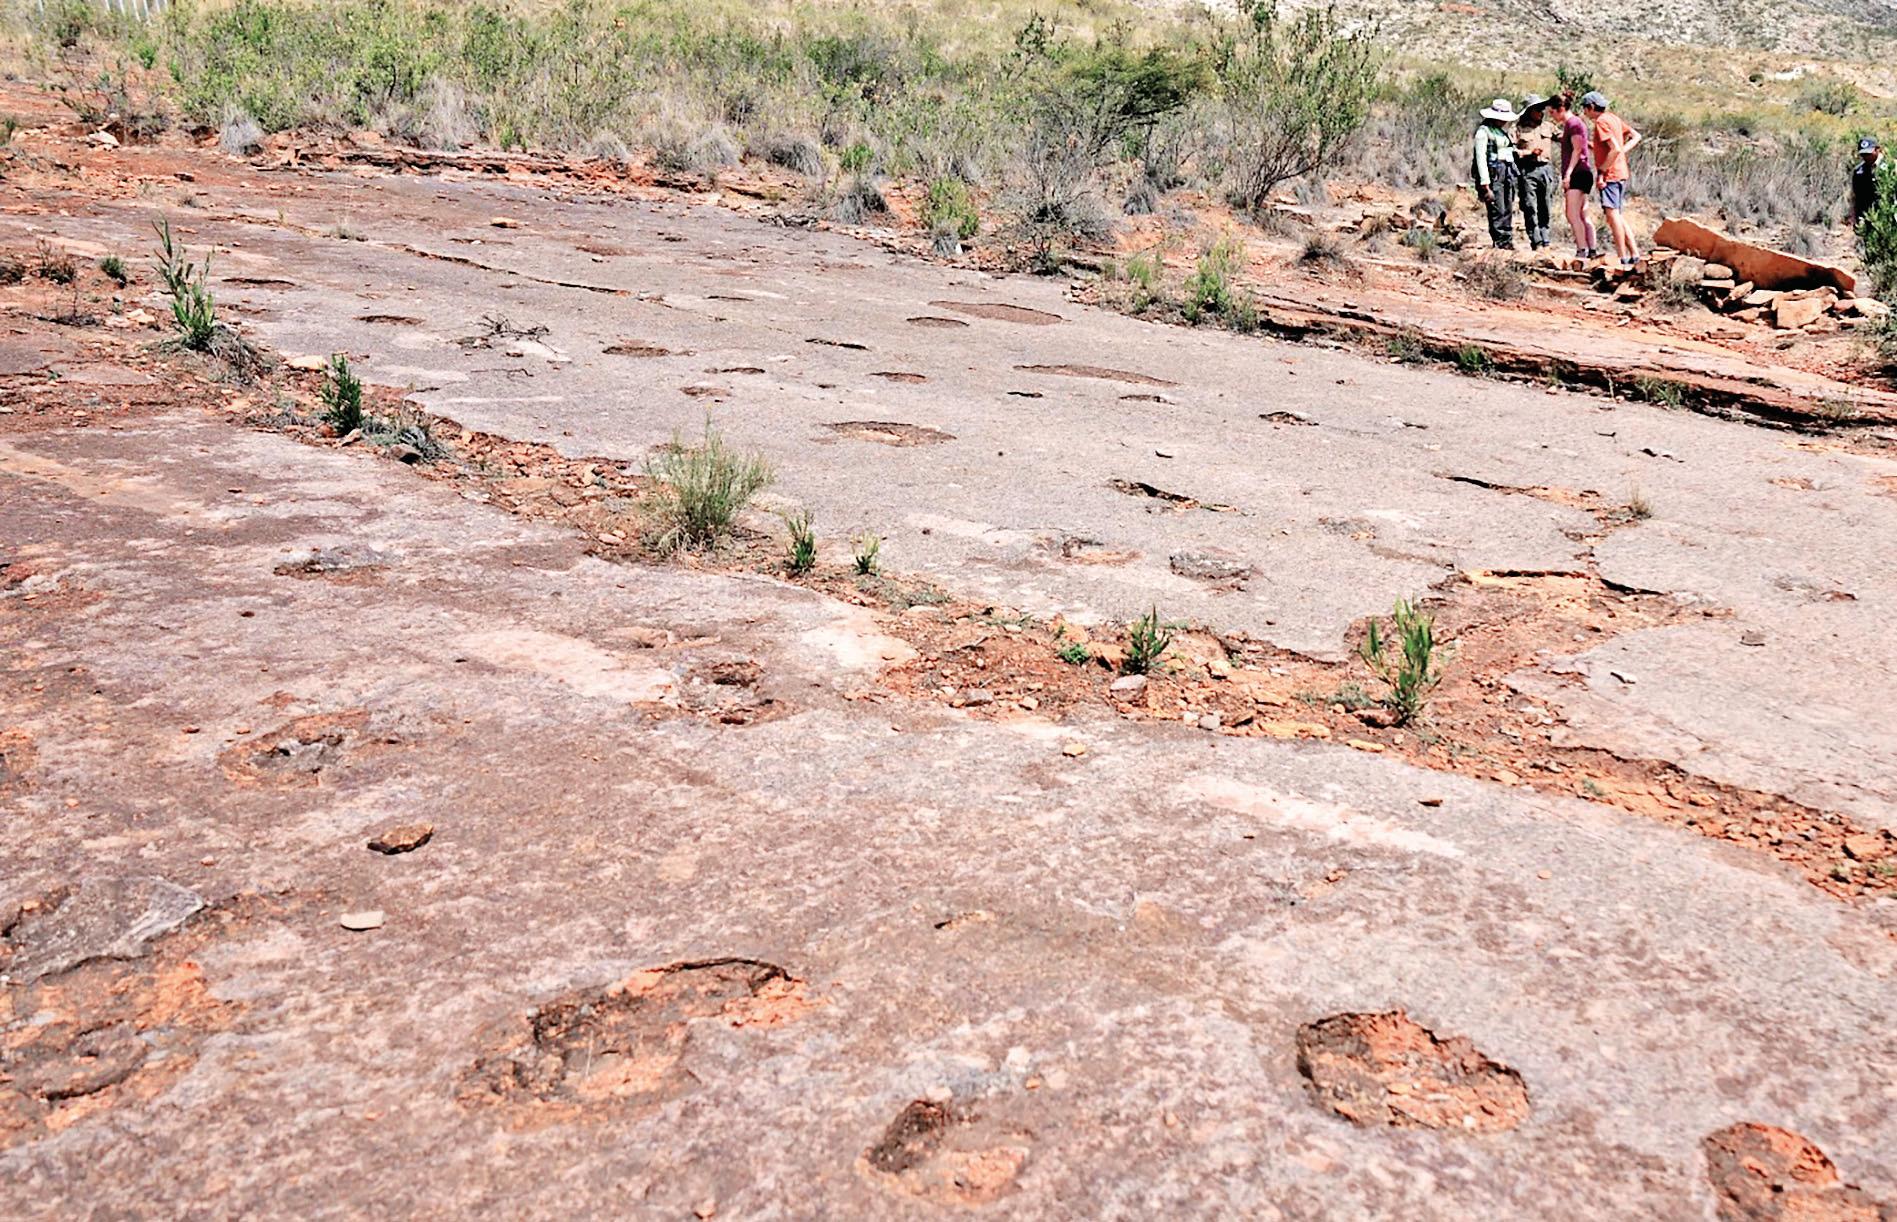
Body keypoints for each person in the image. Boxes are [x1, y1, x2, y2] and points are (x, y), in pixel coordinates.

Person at [1582, 90, 1643, 266]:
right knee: (1618, 214)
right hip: (1621, 171)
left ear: (1592, 107)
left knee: (1612, 215)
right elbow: (1634, 136)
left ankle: (1622, 256)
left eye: (1586, 109)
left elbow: (1614, 148)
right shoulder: (1613, 118)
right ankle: (1634, 254)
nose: (1585, 113)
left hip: (1611, 174)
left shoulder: (1601, 122)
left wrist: (1601, 171)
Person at [1546, 92, 1598, 260]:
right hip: (1582, 171)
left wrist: (1567, 174)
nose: (1552, 116)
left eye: (1553, 112)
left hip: (1577, 172)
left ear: (1561, 109)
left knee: (1572, 214)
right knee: (1583, 214)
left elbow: (1577, 150)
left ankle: (1582, 249)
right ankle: (1592, 248)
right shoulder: (1574, 124)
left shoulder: (1574, 124)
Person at [1472, 97, 1522, 250]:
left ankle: (1507, 238)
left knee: (1507, 205)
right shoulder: (1483, 132)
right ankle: (1499, 240)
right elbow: (1481, 158)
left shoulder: (1500, 132)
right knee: (1497, 206)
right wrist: (1485, 183)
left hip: (1506, 170)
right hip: (1494, 172)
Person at [1514, 94, 1558, 251]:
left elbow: (1565, 138)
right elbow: (1511, 149)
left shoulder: (1548, 126)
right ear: (1530, 110)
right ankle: (1536, 241)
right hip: (1528, 170)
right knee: (1530, 206)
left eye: (1542, 108)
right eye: (1538, 109)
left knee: (1545, 205)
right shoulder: (1518, 128)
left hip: (1546, 169)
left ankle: (1546, 240)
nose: (1541, 111)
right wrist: (1528, 153)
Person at [1851, 136, 1885, 228]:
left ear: (1878, 149)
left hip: (1888, 217)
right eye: (1863, 154)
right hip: (1868, 218)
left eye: (1869, 153)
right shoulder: (1858, 171)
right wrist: (1856, 218)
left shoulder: (1891, 167)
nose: (1866, 157)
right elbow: (1856, 197)